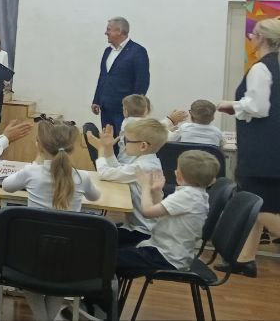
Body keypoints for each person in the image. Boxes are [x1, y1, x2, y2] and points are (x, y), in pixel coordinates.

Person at [81, 151, 216, 320]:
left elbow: (147, 212)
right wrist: (156, 190)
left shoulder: (187, 196)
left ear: (179, 175)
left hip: (165, 257)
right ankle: (102, 305)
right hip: (166, 251)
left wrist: (144, 187)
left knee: (105, 260)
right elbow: (161, 210)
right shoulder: (196, 194)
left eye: (177, 169)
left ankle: (97, 310)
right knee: (109, 254)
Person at [1, 120, 102, 320]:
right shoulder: (81, 177)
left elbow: (6, 186)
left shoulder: (31, 172)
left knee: (25, 277)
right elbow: (96, 197)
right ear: (71, 148)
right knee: (61, 280)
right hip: (69, 254)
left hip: (31, 253)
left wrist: (36, 161)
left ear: (39, 145)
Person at [215, 17, 280, 277]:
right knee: (255, 202)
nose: (251, 38)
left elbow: (258, 107)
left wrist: (230, 104)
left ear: (261, 38)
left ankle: (244, 258)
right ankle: (244, 259)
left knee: (260, 207)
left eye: (253, 35)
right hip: (272, 148)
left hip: (262, 150)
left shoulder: (261, 68)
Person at [88, 119, 166, 245]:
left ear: (143, 146)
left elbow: (104, 174)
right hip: (136, 226)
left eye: (126, 141)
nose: (123, 145)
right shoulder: (146, 161)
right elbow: (119, 171)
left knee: (94, 240)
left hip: (142, 232)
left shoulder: (143, 167)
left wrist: (101, 150)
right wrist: (108, 148)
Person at [92, 17, 151, 136]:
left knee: (124, 142)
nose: (106, 33)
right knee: (109, 142)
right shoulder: (107, 51)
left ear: (119, 31)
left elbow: (142, 81)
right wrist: (97, 100)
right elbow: (103, 77)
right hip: (106, 108)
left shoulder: (138, 51)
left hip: (124, 111)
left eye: (109, 29)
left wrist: (133, 108)